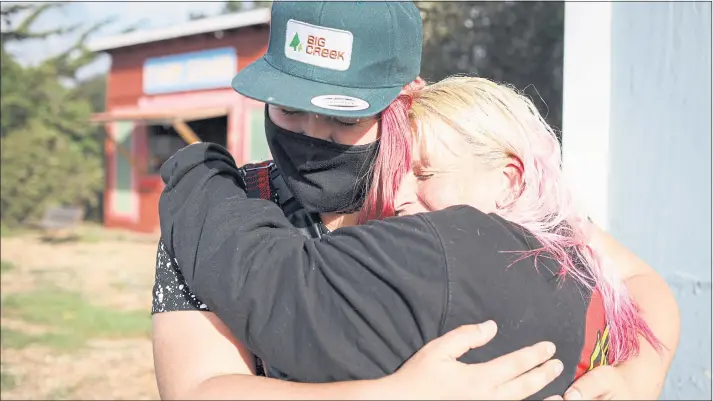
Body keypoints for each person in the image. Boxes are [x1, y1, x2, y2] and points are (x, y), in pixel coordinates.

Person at [152, 2, 680, 400]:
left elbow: (634, 279)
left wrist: (642, 373)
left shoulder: (450, 188)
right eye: (289, 110)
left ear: (405, 99)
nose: (312, 136)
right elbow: (198, 387)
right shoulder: (221, 215)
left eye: (343, 118)